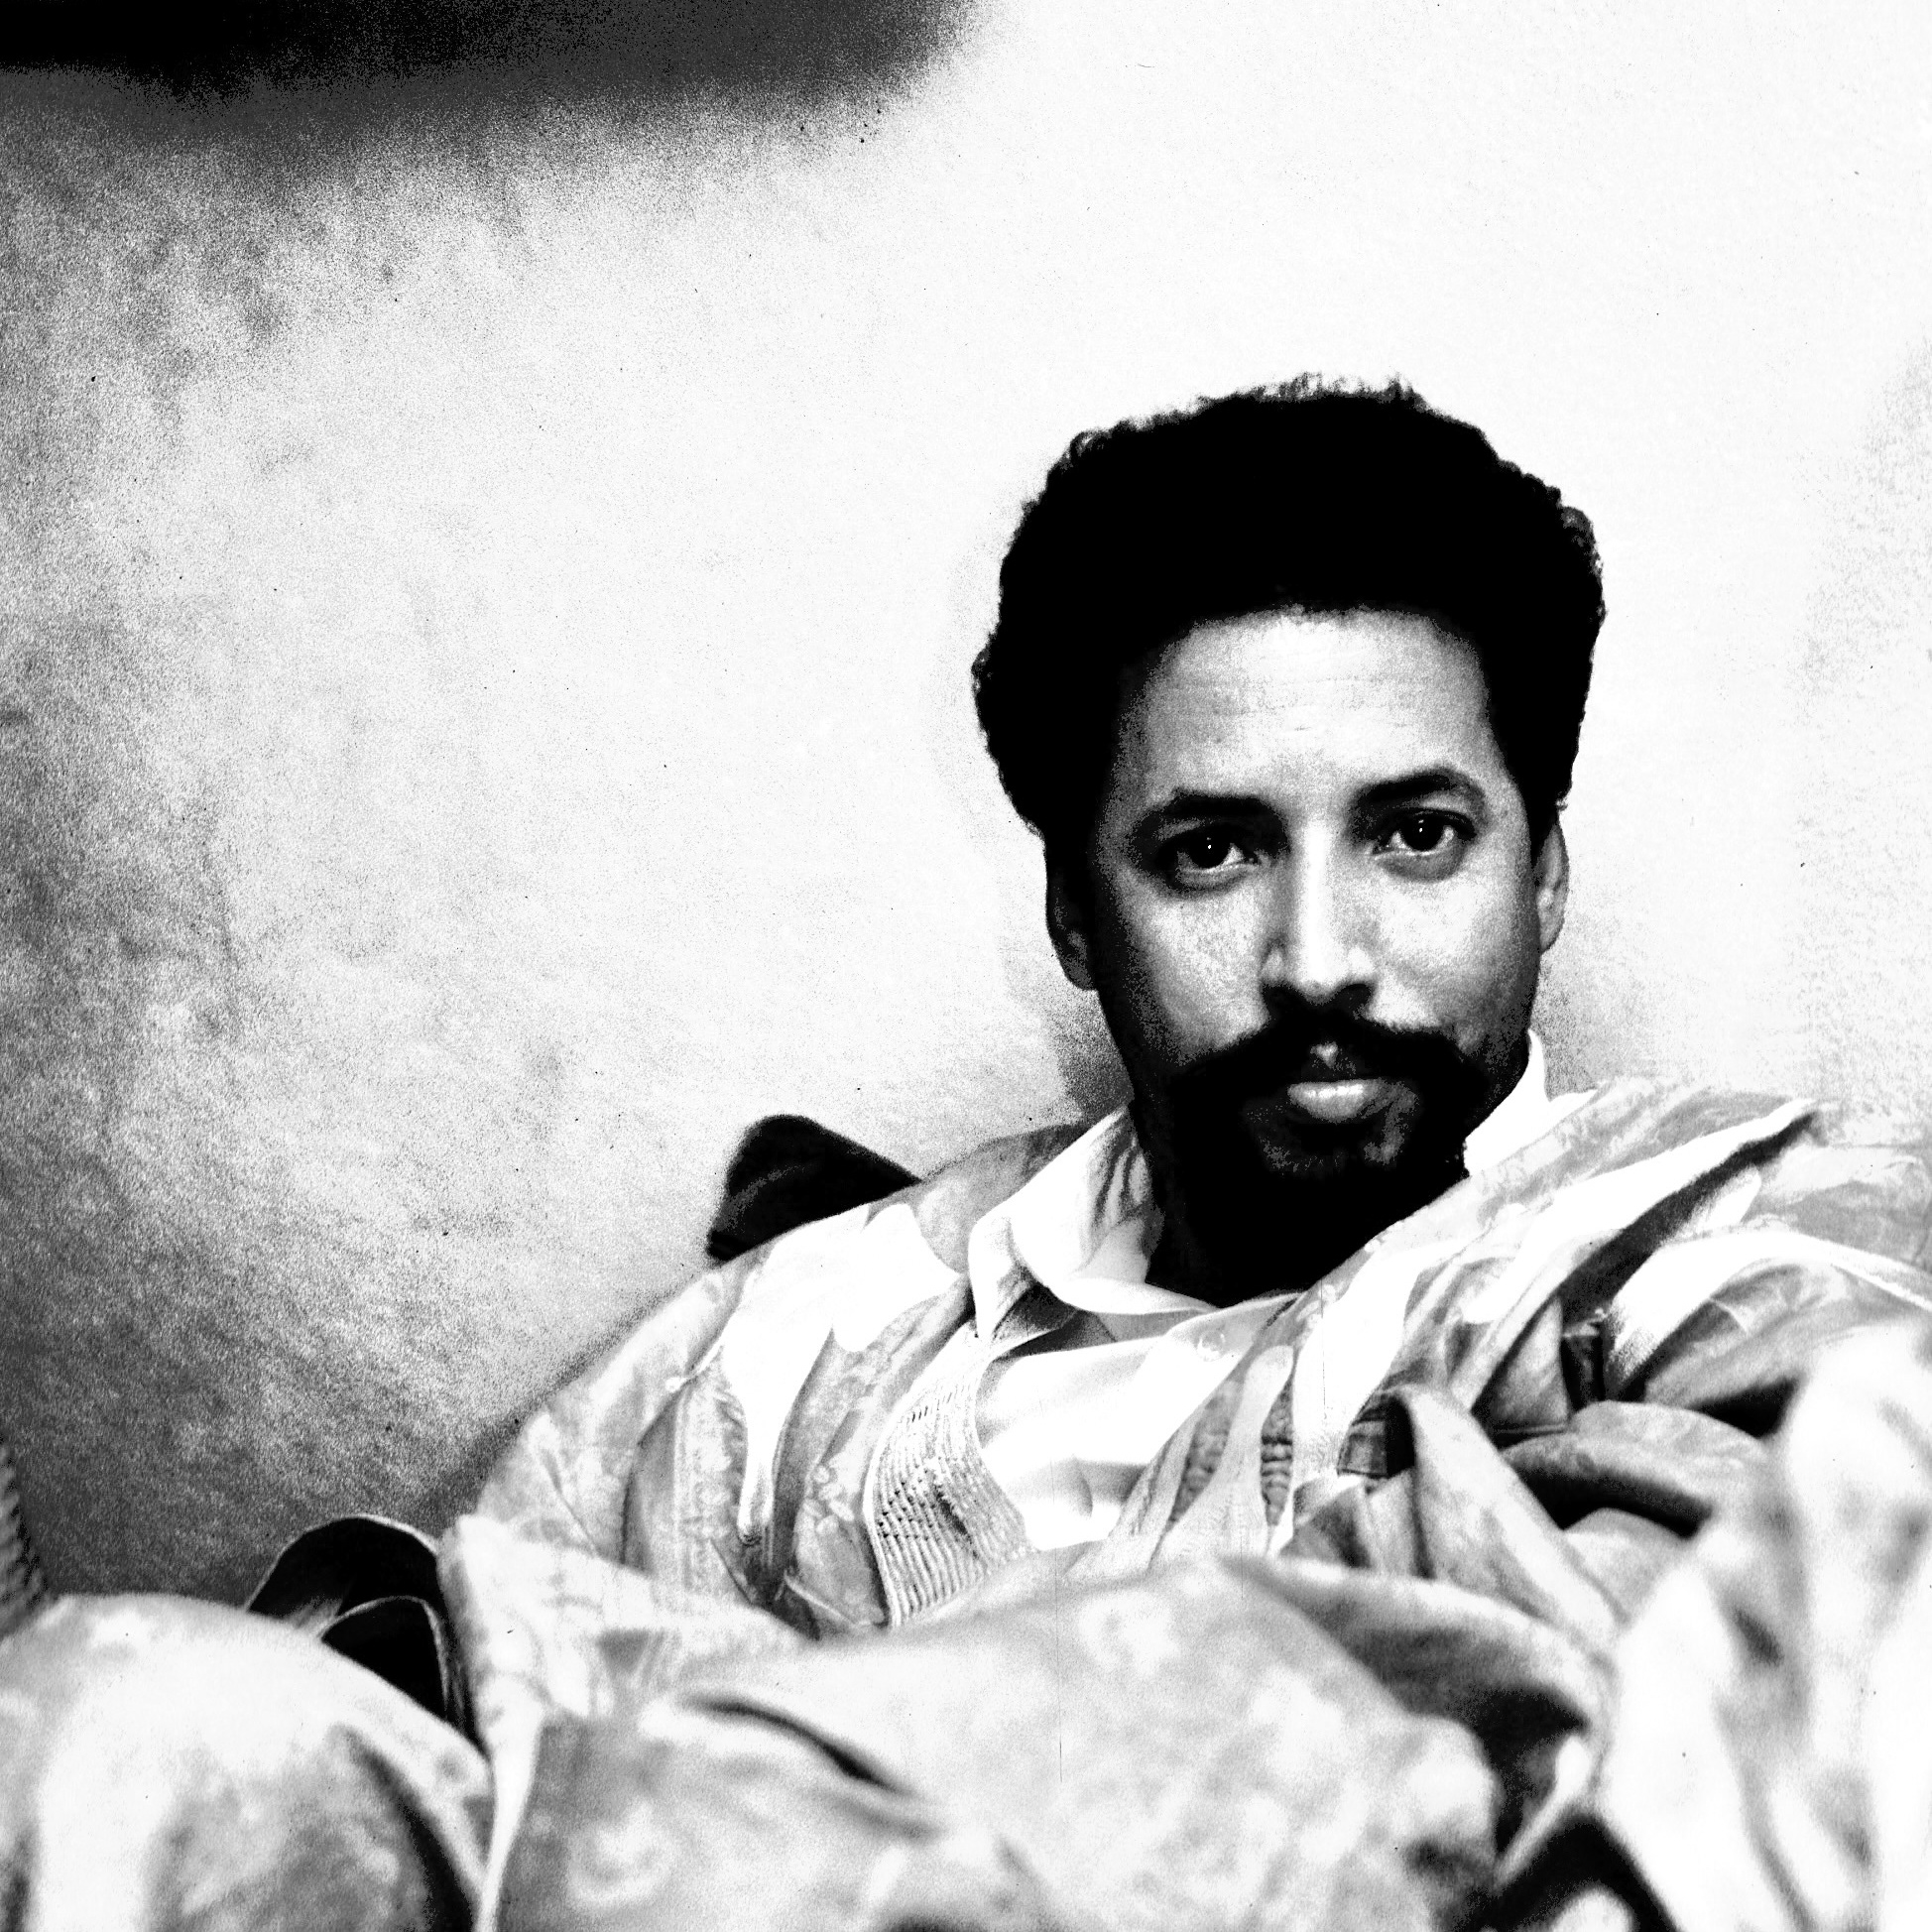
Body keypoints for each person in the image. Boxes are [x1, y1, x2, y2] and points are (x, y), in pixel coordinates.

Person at [6, 380, 1932, 1932]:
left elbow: (1745, 1635)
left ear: (1545, 874)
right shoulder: (812, 1336)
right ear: (1077, 916)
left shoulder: (1718, 1229)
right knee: (130, 1712)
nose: (1320, 956)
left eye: (1415, 835)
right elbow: (409, 1695)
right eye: (1209, 851)